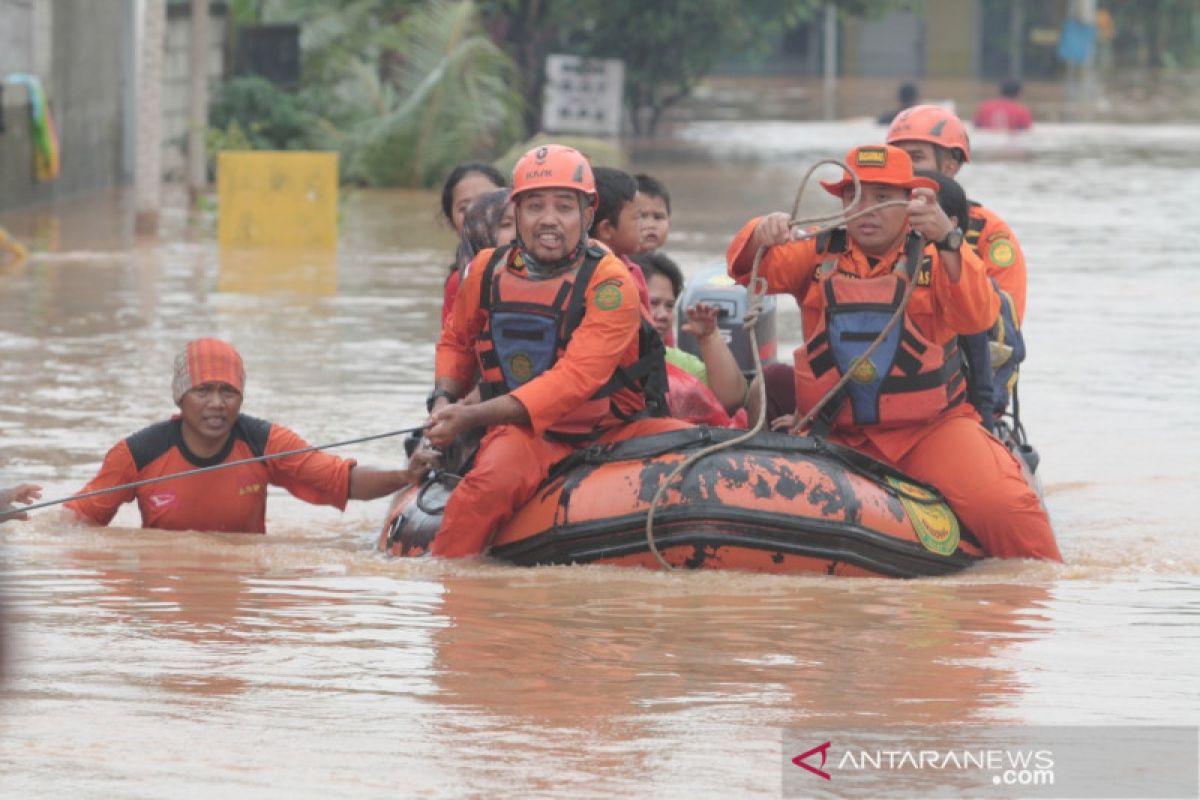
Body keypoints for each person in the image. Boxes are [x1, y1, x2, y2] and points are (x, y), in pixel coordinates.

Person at [726, 144, 1061, 562]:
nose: (866, 210)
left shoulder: (941, 256)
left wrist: (951, 240)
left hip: (930, 431)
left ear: (911, 204)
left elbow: (978, 316)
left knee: (1007, 508)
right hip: (836, 431)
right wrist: (761, 231)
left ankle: (1034, 606)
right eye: (856, 196)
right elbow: (746, 269)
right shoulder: (814, 253)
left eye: (883, 199)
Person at [424, 144, 691, 558]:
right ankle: (449, 587)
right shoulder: (485, 270)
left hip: (613, 429)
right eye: (534, 207)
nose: (548, 220)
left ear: (587, 215)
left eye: (564, 207)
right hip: (532, 434)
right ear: (515, 211)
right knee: (486, 488)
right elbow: (456, 341)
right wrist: (443, 397)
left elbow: (574, 380)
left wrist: (472, 416)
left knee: (706, 456)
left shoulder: (610, 283)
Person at [64, 338, 435, 533]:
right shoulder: (137, 453)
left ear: (241, 397)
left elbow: (343, 480)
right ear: (180, 397)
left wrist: (405, 476)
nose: (216, 404)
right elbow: (73, 524)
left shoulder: (264, 442)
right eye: (203, 391)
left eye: (228, 392)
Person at [887, 104, 1029, 416]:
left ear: (950, 166)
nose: (906, 170)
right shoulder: (875, 225)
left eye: (915, 157)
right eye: (897, 159)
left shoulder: (988, 233)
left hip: (958, 382)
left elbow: (1002, 328)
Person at [633, 252, 750, 428]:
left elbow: (732, 400)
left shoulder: (678, 363)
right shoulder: (603, 357)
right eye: (654, 303)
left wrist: (709, 338)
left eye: (669, 306)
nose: (664, 315)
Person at [439, 162, 507, 328]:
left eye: (489, 201)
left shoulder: (540, 262)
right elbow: (455, 347)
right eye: (465, 208)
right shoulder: (459, 282)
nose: (479, 213)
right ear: (451, 223)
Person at [587, 166, 654, 313]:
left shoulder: (632, 270)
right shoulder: (620, 277)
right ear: (606, 229)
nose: (645, 226)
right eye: (638, 217)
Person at [634, 173, 671, 253]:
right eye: (641, 216)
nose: (651, 225)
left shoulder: (662, 264)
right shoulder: (612, 263)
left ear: (669, 222)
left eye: (658, 217)